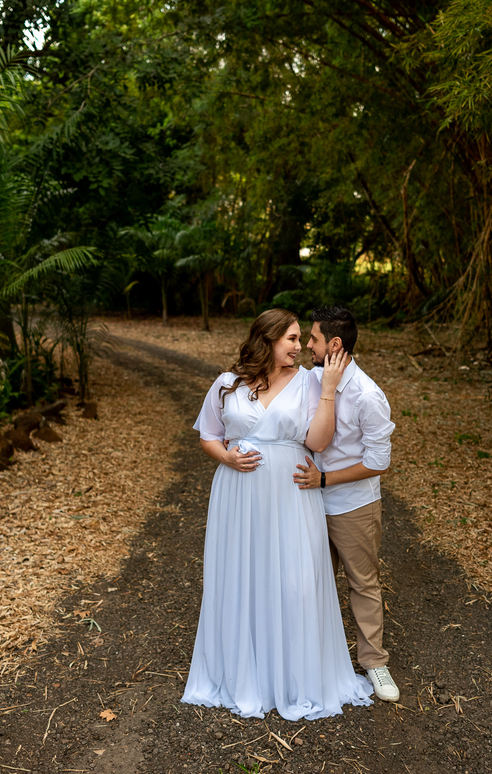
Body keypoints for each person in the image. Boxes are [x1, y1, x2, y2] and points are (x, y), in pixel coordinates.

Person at [182, 308, 374, 720]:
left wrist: (328, 390)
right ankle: (243, 671)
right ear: (267, 339)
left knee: (294, 581)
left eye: (303, 338)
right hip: (238, 494)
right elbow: (209, 436)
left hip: (291, 494)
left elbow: (318, 442)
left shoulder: (309, 381)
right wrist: (226, 457)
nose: (300, 346)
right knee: (242, 575)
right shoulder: (227, 383)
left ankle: (294, 676)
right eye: (292, 338)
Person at [294, 306, 399, 702]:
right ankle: (312, 657)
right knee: (308, 581)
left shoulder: (368, 396)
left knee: (362, 582)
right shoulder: (310, 379)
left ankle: (374, 662)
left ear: (334, 344)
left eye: (314, 339)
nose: (307, 345)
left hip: (353, 505)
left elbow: (379, 462)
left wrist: (324, 479)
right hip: (306, 501)